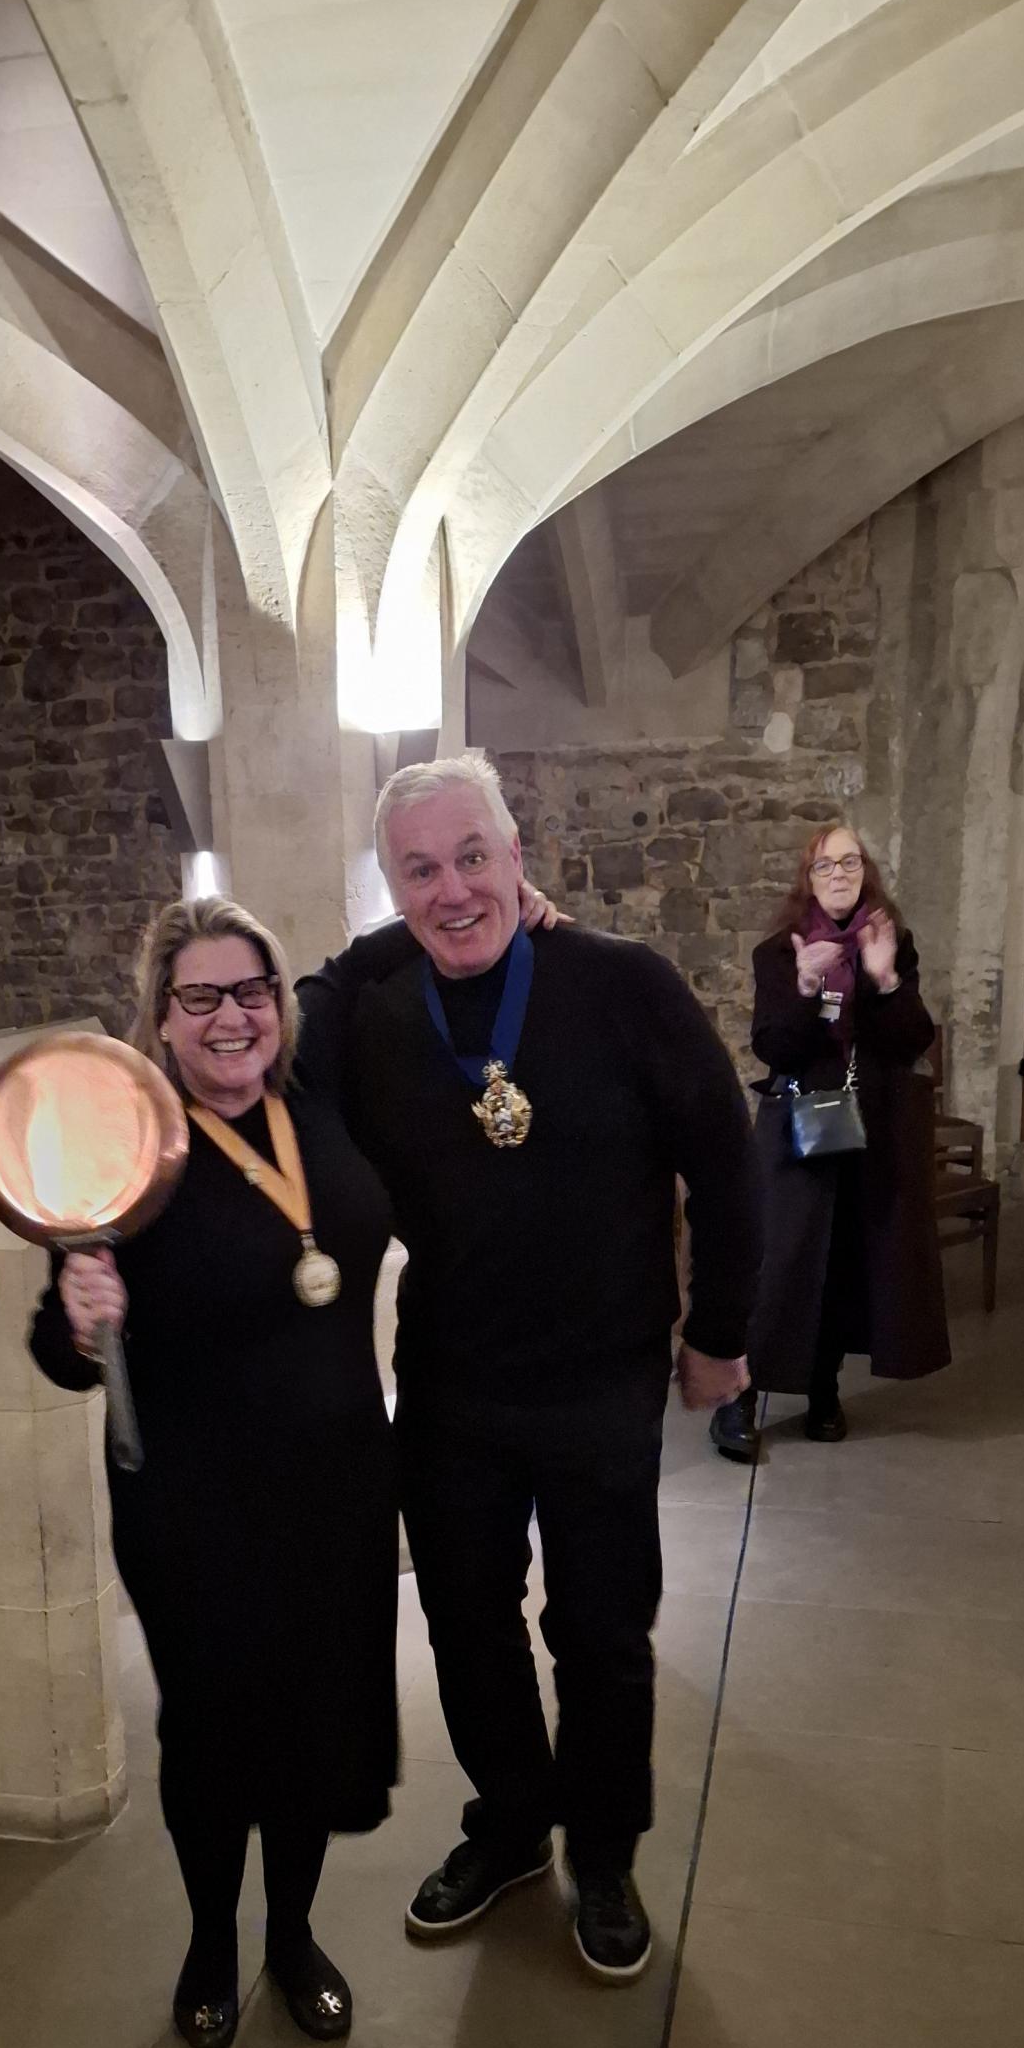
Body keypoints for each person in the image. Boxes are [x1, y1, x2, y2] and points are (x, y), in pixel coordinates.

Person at [296, 750, 755, 1984]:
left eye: (473, 858)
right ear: (390, 887)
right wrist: (391, 940)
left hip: (604, 1374)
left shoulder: (622, 985)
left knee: (601, 1630)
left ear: (518, 854)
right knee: (464, 1620)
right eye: (419, 871)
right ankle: (508, 1822)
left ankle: (602, 1853)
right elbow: (286, 1035)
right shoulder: (376, 1011)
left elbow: (724, 1154)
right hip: (451, 1380)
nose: (453, 890)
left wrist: (720, 1330)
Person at [28, 896, 399, 2048]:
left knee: (314, 1722)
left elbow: (373, 956)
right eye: (201, 996)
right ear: (161, 1014)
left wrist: (519, 908)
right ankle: (209, 1942)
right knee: (212, 1731)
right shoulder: (129, 1150)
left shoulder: (318, 1102)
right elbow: (58, 1353)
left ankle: (292, 1935)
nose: (232, 1017)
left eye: (250, 990)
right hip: (197, 1508)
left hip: (337, 1487)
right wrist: (80, 1317)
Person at [710, 823, 948, 1460]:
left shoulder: (889, 941)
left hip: (871, 1128)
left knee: (843, 1261)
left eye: (849, 862)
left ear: (865, 871)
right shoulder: (778, 952)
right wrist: (806, 989)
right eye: (824, 865)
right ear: (807, 879)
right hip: (798, 1123)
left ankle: (823, 1390)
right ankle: (738, 1399)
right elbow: (775, 1046)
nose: (838, 875)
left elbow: (912, 1040)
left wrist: (886, 978)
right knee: (778, 1263)